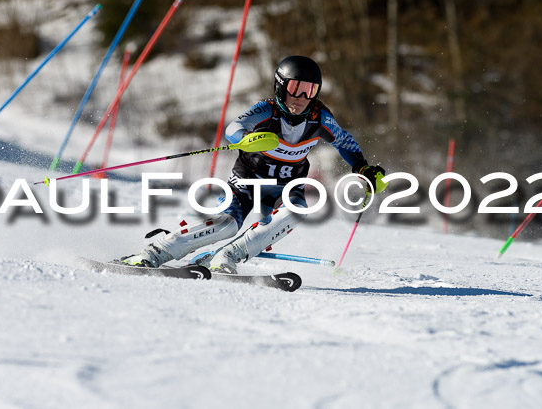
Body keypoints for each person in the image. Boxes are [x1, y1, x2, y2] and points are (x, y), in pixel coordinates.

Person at [120, 55, 386, 273]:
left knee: (297, 210)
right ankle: (155, 252)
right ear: (281, 87)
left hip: (287, 186)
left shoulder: (320, 119)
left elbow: (346, 142)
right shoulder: (266, 110)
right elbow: (233, 129)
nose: (302, 98)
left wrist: (363, 169)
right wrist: (247, 139)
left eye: (310, 91)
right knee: (227, 225)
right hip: (248, 180)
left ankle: (227, 257)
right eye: (296, 88)